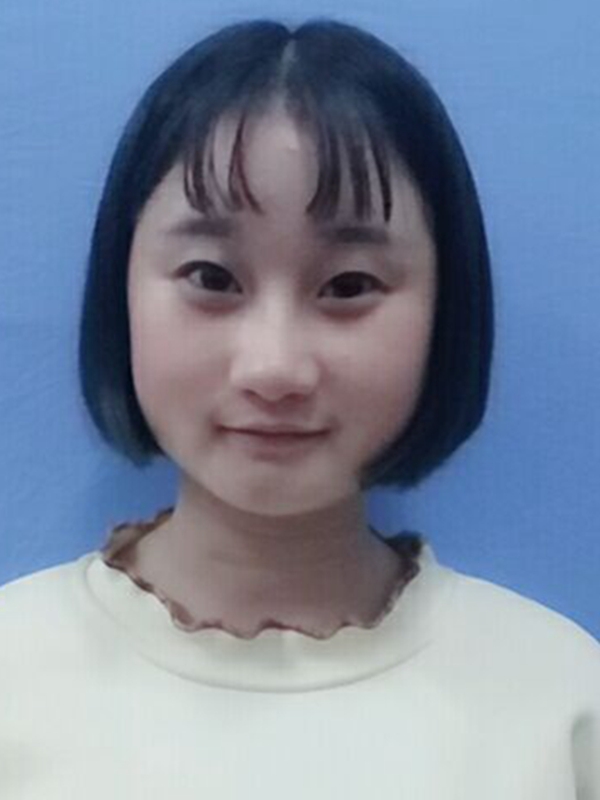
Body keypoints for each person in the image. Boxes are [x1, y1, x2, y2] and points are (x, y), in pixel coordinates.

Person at [1, 17, 598, 798]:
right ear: (122, 291)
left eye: (348, 286)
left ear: (446, 312)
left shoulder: (560, 704)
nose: (274, 367)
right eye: (212, 277)